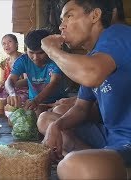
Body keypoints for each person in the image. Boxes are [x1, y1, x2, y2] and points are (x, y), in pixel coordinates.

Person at [40, 0, 131, 179]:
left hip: (128, 140)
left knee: (72, 167)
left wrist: (51, 51)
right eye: (61, 19)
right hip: (111, 136)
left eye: (69, 15)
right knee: (46, 120)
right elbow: (81, 108)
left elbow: (91, 74)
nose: (61, 25)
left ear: (95, 16)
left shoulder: (119, 34)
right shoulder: (93, 56)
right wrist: (56, 126)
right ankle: (103, 164)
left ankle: (116, 170)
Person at [5, 29, 67, 116]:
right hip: (34, 104)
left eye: (40, 53)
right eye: (31, 52)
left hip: (58, 102)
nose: (35, 57)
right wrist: (12, 93)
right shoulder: (23, 60)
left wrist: (36, 101)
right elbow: (9, 80)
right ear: (26, 50)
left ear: (48, 49)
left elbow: (54, 82)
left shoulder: (56, 59)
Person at [0, 34, 28, 107]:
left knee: (21, 99)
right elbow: (2, 81)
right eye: (4, 43)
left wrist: (10, 83)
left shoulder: (24, 59)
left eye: (9, 42)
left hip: (22, 91)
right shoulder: (3, 63)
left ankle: (8, 106)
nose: (6, 45)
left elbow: (26, 81)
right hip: (7, 92)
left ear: (16, 44)